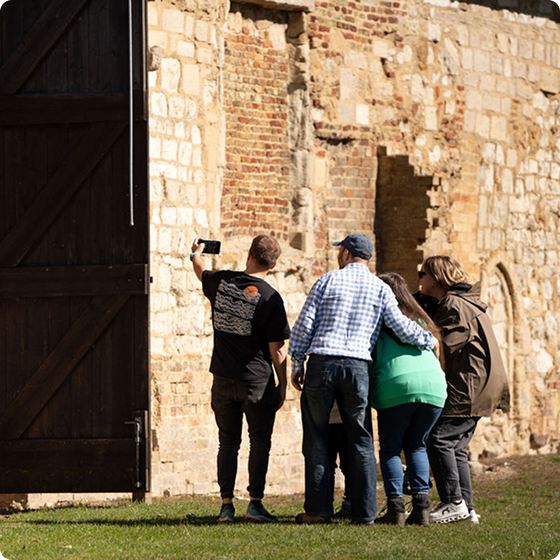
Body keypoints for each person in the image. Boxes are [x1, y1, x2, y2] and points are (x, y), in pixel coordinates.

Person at [289, 234, 437, 525]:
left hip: (322, 361)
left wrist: (297, 362)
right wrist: (428, 338)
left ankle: (318, 510)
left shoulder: (326, 281)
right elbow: (401, 327)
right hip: (358, 366)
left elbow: (304, 325)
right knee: (361, 439)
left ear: (345, 253)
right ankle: (365, 512)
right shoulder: (380, 288)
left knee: (317, 437)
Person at [191, 235, 290, 523]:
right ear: (274, 264)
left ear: (249, 254)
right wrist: (281, 385)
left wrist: (196, 253)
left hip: (222, 378)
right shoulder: (271, 298)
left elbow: (200, 270)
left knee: (228, 442)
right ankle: (255, 505)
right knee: (259, 441)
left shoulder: (222, 282)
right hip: (256, 381)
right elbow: (278, 349)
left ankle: (226, 506)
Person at [419, 256, 510, 524]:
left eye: (421, 274)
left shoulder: (454, 305)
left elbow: (440, 344)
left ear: (435, 278)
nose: (419, 280)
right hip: (482, 384)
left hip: (469, 386)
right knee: (456, 446)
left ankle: (452, 501)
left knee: (438, 439)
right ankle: (466, 508)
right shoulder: (465, 301)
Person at [370, 273, 447, 526]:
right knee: (417, 445)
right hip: (434, 388)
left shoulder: (379, 320)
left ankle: (395, 510)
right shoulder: (422, 321)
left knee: (391, 448)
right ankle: (422, 509)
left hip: (396, 386)